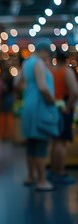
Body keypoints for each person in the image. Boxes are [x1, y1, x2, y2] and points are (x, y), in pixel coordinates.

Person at [15, 40, 56, 191]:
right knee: (40, 144)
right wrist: (52, 101)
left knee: (31, 144)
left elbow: (16, 83)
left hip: (28, 105)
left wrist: (28, 91)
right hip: (40, 107)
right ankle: (42, 180)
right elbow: (43, 87)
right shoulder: (39, 63)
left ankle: (30, 176)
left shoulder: (27, 63)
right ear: (45, 51)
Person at [49, 49, 78, 184]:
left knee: (55, 141)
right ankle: (60, 172)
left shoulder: (52, 71)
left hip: (54, 108)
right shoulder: (67, 72)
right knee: (62, 141)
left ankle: (54, 171)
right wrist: (69, 106)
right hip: (64, 108)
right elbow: (75, 91)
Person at [0, 65, 14, 141]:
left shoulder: (5, 80)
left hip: (6, 98)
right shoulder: (10, 79)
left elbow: (5, 90)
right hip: (8, 98)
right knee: (7, 116)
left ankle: (6, 134)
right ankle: (7, 134)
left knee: (6, 116)